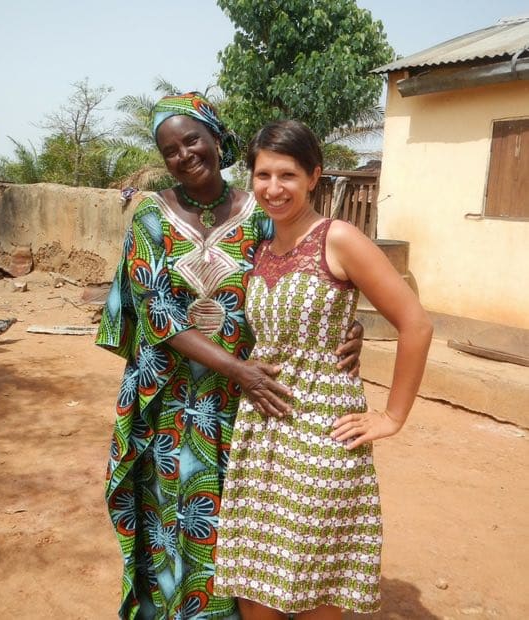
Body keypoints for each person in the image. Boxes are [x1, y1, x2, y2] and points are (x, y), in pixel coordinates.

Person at [96, 94, 364, 619]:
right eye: (169, 149)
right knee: (170, 519)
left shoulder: (261, 213)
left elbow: (307, 279)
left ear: (218, 138)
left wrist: (347, 325)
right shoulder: (150, 214)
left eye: (192, 139)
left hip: (246, 407)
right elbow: (156, 313)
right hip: (169, 401)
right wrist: (238, 368)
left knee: (236, 522)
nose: (184, 155)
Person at [213, 120, 433, 619]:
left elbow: (415, 324)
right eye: (263, 174)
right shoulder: (260, 249)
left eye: (287, 174)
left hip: (321, 440)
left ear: (314, 177)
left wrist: (392, 417)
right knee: (255, 587)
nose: (273, 188)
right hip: (262, 440)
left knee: (317, 588)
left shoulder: (339, 238)